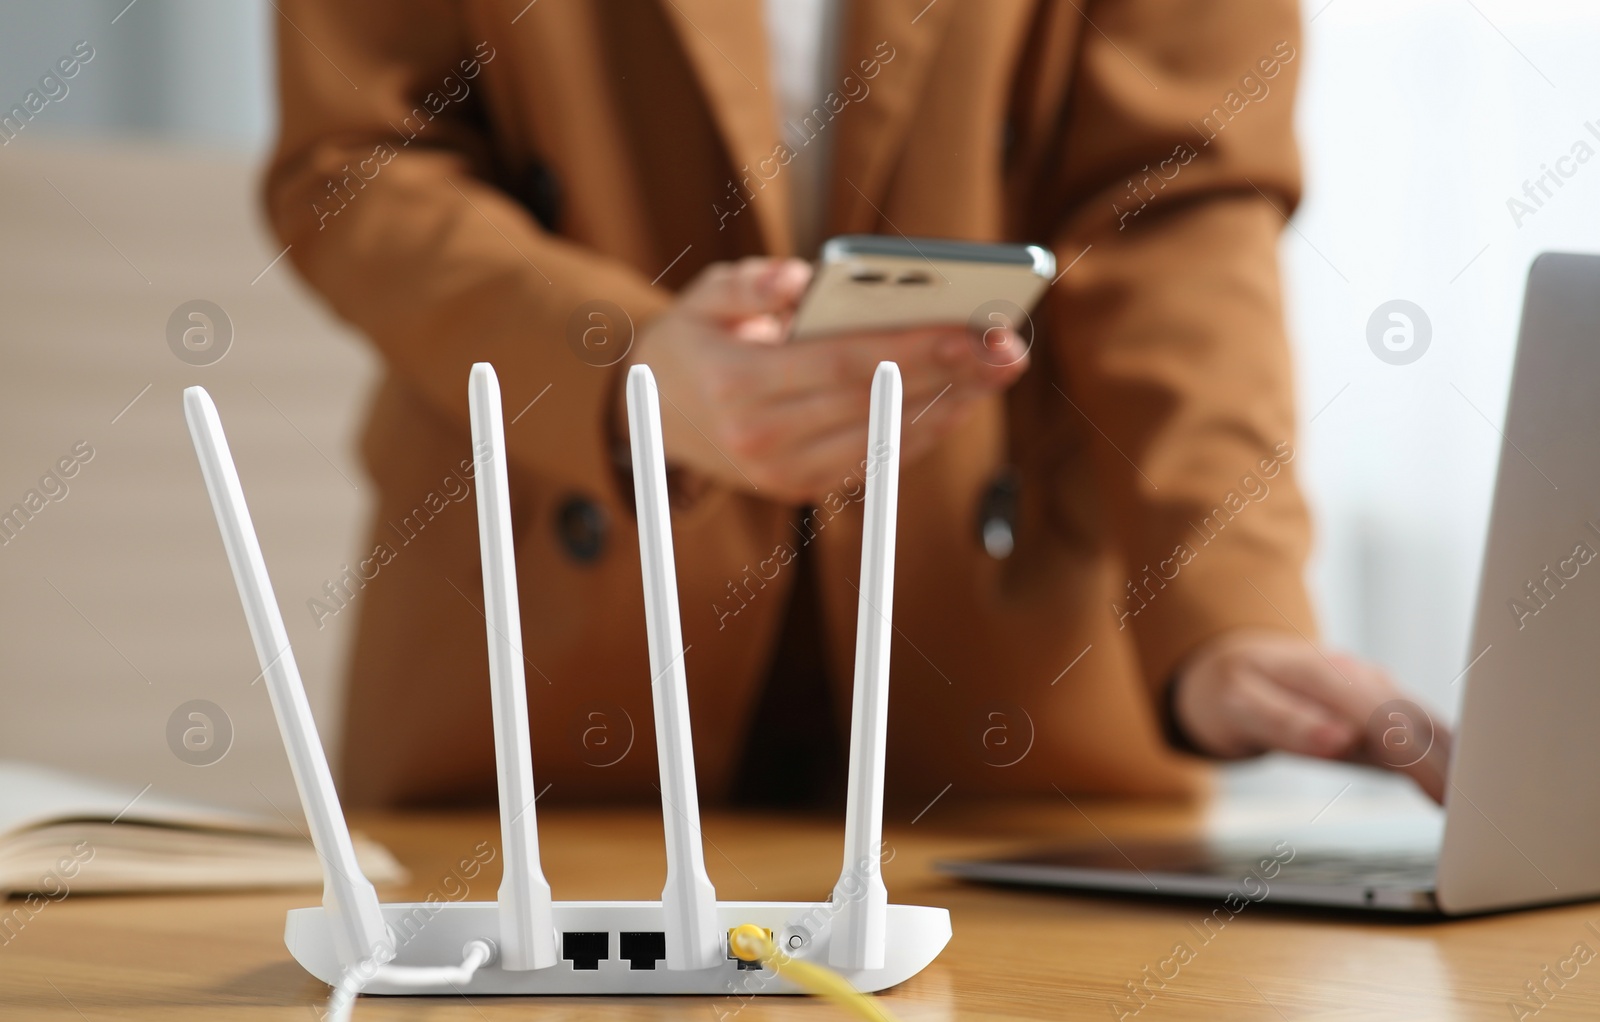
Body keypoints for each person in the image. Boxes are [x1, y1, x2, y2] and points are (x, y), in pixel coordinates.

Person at [264, 0, 1447, 811]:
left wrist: (1225, 602)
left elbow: (1175, 212)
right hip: (546, 659)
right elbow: (356, 160)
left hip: (1008, 698)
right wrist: (624, 375)